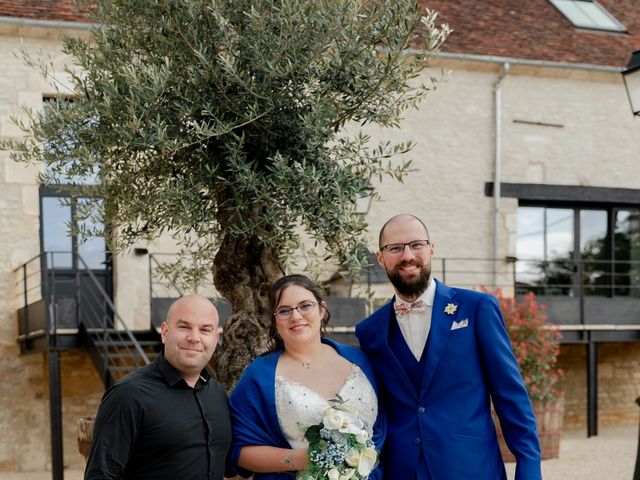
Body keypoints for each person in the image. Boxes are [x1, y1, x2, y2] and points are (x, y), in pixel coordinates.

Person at [356, 214, 541, 480]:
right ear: (381, 257)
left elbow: (510, 396)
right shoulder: (370, 330)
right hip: (402, 471)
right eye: (395, 248)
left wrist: (529, 470)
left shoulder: (477, 309)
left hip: (471, 468)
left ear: (431, 249)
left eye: (416, 244)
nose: (407, 255)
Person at [228, 274, 385, 479]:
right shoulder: (259, 376)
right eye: (284, 310)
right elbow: (238, 451)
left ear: (321, 310)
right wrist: (302, 460)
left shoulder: (360, 361)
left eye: (305, 306)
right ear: (275, 321)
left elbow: (383, 428)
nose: (296, 316)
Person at [85, 294, 232, 480]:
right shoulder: (128, 395)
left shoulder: (217, 394)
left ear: (215, 338)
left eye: (205, 330)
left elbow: (229, 465)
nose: (194, 338)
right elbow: (101, 475)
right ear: (164, 332)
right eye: (184, 327)